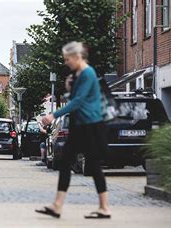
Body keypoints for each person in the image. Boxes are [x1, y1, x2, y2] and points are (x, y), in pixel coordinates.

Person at [35, 41, 111, 219]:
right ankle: (57, 205)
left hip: (90, 126)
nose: (66, 62)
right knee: (65, 162)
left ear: (77, 57)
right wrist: (70, 87)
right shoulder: (80, 74)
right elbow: (77, 98)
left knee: (92, 165)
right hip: (80, 125)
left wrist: (53, 116)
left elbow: (78, 102)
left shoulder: (88, 73)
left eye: (67, 59)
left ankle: (104, 207)